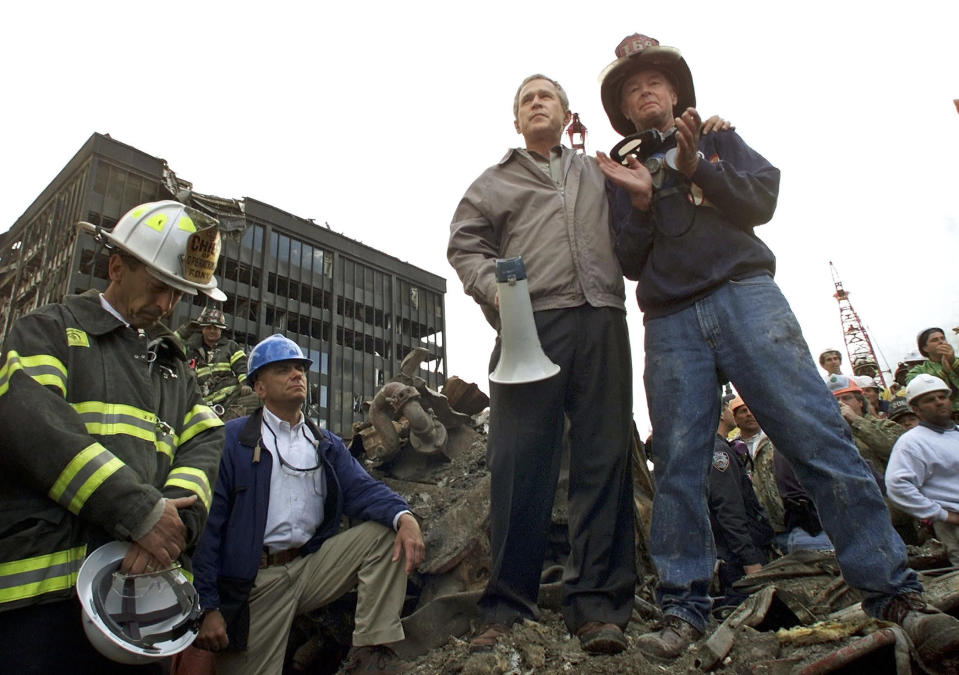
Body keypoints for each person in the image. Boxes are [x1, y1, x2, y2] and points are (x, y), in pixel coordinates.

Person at [595, 33, 959, 667]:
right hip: (670, 321)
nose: (644, 91)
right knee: (680, 464)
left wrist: (697, 167)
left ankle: (893, 594)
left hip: (748, 297)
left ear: (675, 91)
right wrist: (642, 199)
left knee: (818, 437)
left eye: (653, 81)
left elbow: (762, 199)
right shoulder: (619, 171)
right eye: (631, 89)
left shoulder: (715, 137)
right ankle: (684, 611)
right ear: (625, 109)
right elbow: (628, 263)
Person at [447, 73, 637, 655]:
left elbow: (651, 189)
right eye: (526, 98)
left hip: (602, 317)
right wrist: (497, 294)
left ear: (565, 112)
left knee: (603, 461)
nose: (536, 103)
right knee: (518, 464)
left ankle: (597, 607)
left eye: (546, 96)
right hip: (531, 326)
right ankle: (506, 604)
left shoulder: (596, 172)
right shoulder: (495, 181)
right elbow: (464, 244)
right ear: (516, 120)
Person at [0, 200, 227, 673]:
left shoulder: (175, 369)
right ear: (117, 266)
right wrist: (140, 512)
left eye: (179, 294)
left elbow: (206, 444)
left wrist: (169, 528)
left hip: (138, 608)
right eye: (159, 286)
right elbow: (31, 426)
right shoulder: (48, 330)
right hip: (43, 602)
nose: (166, 305)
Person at [190, 334, 424, 674]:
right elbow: (209, 527)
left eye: (299, 369)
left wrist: (405, 517)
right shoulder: (234, 440)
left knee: (385, 535)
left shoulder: (322, 442)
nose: (296, 375)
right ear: (259, 387)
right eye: (283, 370)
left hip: (309, 568)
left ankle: (370, 650)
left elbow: (361, 488)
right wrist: (207, 606)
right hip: (254, 583)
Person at [886, 375, 959, 566]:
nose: (938, 402)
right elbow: (897, 486)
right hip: (954, 526)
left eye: (942, 397)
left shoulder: (956, 433)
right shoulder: (912, 442)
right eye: (929, 399)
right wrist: (942, 515)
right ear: (916, 409)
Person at [181, 307, 257, 419]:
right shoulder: (191, 349)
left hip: (230, 398)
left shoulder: (230, 346)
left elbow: (241, 367)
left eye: (216, 328)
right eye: (209, 327)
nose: (212, 330)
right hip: (203, 402)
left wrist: (245, 384)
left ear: (221, 330)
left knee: (256, 399)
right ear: (202, 329)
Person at [907, 328, 959, 418]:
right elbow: (914, 386)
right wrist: (944, 372)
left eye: (943, 338)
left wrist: (953, 362)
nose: (941, 342)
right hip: (944, 419)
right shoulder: (918, 371)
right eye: (935, 340)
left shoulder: (956, 360)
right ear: (924, 348)